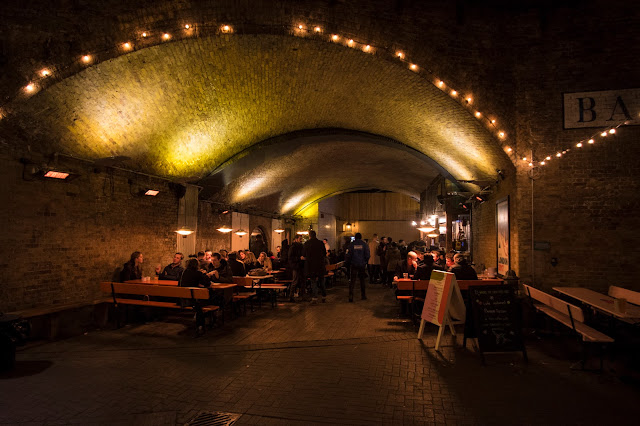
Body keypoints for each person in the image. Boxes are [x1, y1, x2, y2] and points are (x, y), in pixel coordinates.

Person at [302, 230, 327, 304]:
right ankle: (323, 296)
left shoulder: (307, 244)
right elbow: (324, 253)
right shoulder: (320, 243)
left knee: (313, 282)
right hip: (320, 265)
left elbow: (304, 254)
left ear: (309, 236)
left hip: (311, 265)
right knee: (321, 281)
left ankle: (315, 298)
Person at [345, 232, 370, 302]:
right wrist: (365, 261)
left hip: (354, 264)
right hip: (362, 264)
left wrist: (349, 262)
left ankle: (351, 295)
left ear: (355, 237)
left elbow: (348, 254)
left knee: (352, 281)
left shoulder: (351, 244)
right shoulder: (364, 244)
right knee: (362, 280)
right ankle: (363, 295)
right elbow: (367, 254)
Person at [288, 234, 305, 301]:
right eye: (300, 239)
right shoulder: (293, 247)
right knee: (295, 281)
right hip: (296, 266)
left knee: (302, 281)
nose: (301, 240)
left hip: (301, 265)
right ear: (296, 239)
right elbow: (290, 258)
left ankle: (302, 295)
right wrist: (299, 258)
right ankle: (291, 296)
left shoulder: (301, 246)